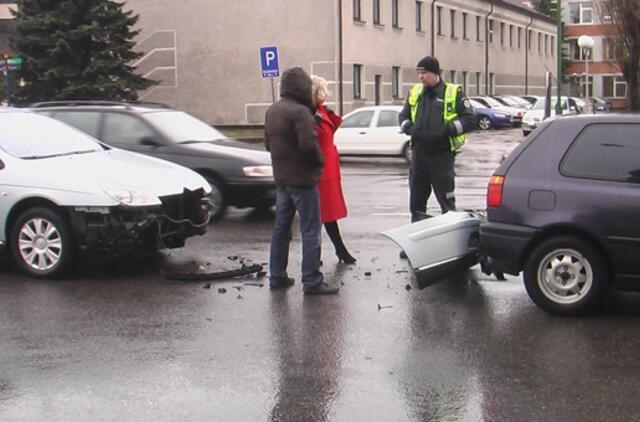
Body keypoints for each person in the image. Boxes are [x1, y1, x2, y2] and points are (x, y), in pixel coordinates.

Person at [264, 67, 339, 295]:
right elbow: (309, 146)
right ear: (302, 87)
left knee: (281, 229)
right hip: (303, 180)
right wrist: (318, 164)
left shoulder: (273, 110)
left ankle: (277, 275)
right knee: (310, 229)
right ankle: (312, 280)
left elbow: (268, 144)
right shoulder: (301, 113)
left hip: (282, 178)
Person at [398, 56, 475, 258]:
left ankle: (453, 246)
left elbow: (470, 119)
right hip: (420, 155)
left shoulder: (453, 92)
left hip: (442, 156)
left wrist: (448, 130)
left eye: (424, 73)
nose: (421, 77)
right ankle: (414, 244)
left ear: (435, 73)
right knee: (416, 203)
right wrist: (411, 130)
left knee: (447, 204)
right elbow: (403, 117)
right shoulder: (415, 92)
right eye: (419, 73)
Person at [311, 75, 356, 264]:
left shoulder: (320, 112)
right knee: (320, 215)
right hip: (320, 172)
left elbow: (331, 129)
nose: (326, 93)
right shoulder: (310, 115)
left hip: (328, 170)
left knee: (324, 214)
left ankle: (331, 251)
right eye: (323, 89)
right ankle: (323, 253)